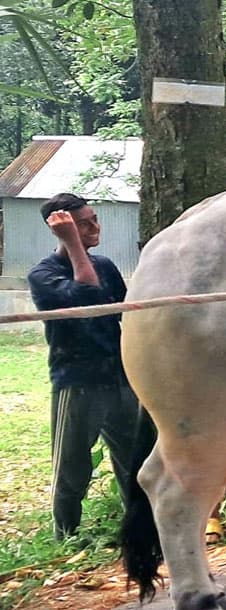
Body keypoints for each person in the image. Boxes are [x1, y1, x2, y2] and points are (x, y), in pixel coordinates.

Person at [28, 193, 140, 540]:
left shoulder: (104, 265)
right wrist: (74, 245)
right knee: (72, 467)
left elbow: (124, 310)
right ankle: (67, 538)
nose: (95, 227)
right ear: (62, 231)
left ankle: (137, 530)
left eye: (94, 219)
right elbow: (88, 297)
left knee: (134, 462)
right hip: (77, 381)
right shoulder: (42, 275)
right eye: (83, 224)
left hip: (118, 377)